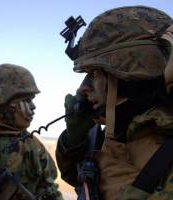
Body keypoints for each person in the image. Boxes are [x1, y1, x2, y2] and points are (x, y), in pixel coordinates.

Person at [56, 6, 173, 200]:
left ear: (128, 77)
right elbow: (76, 178)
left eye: (94, 74)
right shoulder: (114, 134)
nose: (82, 89)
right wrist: (74, 139)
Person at [0, 64, 63, 200]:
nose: (33, 107)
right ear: (0, 101)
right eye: (26, 100)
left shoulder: (32, 143)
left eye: (32, 99)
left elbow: (49, 189)